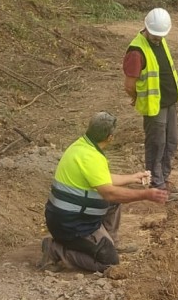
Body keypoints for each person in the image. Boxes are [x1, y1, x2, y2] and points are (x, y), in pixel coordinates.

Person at [40, 111, 169, 272]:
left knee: (114, 202)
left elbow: (102, 179)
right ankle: (56, 249)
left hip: (62, 216)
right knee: (109, 263)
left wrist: (133, 178)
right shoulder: (92, 157)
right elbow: (109, 193)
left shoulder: (81, 146)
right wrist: (145, 195)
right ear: (110, 137)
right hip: (71, 225)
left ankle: (110, 242)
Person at [123, 7, 178, 200]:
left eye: (160, 36)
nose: (158, 39)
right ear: (146, 28)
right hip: (154, 106)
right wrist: (136, 97)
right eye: (155, 36)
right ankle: (156, 187)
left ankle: (163, 179)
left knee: (171, 142)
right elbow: (129, 85)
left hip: (169, 102)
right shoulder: (136, 51)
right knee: (157, 145)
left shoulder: (160, 41)